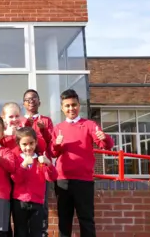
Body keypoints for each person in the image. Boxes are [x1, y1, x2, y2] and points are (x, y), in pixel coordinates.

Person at [51, 89, 114, 237]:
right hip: (63, 181)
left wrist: (104, 137)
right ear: (62, 108)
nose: (71, 108)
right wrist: (57, 145)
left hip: (84, 180)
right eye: (67, 106)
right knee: (64, 221)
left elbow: (107, 146)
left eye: (74, 105)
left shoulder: (90, 125)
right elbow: (53, 153)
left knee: (86, 220)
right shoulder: (58, 128)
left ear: (79, 105)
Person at [11, 127, 58, 237]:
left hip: (37, 202)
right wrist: (24, 165)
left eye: (31, 143)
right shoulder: (16, 159)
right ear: (19, 144)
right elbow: (15, 179)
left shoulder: (41, 159)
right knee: (20, 232)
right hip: (20, 202)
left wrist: (49, 164)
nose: (28, 147)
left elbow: (52, 177)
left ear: (36, 142)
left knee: (36, 233)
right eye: (24, 144)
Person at [22, 89, 54, 236]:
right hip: (23, 165)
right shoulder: (20, 120)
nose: (31, 101)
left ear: (39, 102)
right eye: (28, 99)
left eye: (34, 98)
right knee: (22, 200)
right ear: (23, 104)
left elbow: (51, 144)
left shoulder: (46, 120)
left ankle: (42, 232)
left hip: (40, 165)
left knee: (42, 202)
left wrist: (44, 130)